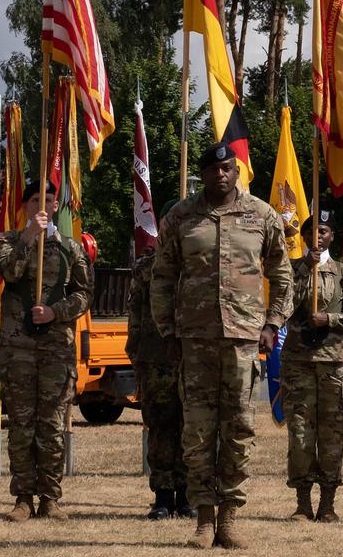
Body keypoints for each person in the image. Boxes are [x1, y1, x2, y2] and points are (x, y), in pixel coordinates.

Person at [151, 142, 293, 549]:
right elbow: (161, 278)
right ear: (203, 173)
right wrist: (167, 331)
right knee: (197, 431)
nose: (221, 175)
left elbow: (282, 275)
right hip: (194, 340)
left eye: (227, 168)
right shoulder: (180, 217)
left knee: (239, 428)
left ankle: (230, 516)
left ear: (237, 171)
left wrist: (272, 324)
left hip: (243, 340)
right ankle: (204, 518)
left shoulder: (261, 215)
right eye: (213, 170)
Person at [0, 180, 93, 522]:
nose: (42, 205)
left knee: (51, 425)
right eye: (36, 200)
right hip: (18, 347)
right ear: (25, 206)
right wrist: (28, 238)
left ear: (56, 207)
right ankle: (23, 498)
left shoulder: (71, 248)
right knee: (21, 424)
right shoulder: (7, 241)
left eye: (49, 200)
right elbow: (10, 270)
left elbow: (83, 295)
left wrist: (55, 312)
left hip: (55, 349)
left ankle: (50, 498)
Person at [280, 210, 343, 523]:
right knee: (300, 434)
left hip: (334, 363)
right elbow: (284, 306)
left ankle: (327, 503)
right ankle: (302, 503)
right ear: (304, 236)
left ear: (332, 236)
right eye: (312, 231)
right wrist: (307, 267)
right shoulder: (292, 269)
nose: (318, 236)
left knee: (332, 435)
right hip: (299, 362)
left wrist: (330, 318)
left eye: (324, 231)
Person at [126, 200, 195, 521]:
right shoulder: (146, 267)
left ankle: (189, 496)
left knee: (193, 429)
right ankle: (163, 497)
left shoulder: (199, 261)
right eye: (170, 220)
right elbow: (136, 317)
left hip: (194, 359)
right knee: (160, 429)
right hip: (155, 360)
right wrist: (136, 356)